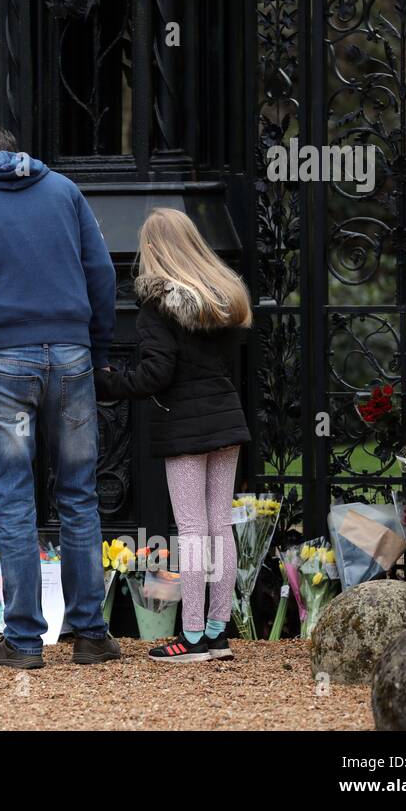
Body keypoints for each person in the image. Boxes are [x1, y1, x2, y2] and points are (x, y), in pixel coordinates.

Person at [0, 124, 119, 668]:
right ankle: (90, 633)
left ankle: (25, 639)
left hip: (3, 354)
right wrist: (96, 346)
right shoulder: (61, 189)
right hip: (73, 352)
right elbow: (100, 271)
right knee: (79, 494)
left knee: (13, 498)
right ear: (15, 153)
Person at [95, 208, 251, 662]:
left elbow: (155, 374)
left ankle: (193, 636)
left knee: (192, 528)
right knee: (220, 526)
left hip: (184, 428)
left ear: (154, 250)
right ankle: (219, 632)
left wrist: (105, 381)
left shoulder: (157, 306)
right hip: (226, 422)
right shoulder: (220, 300)